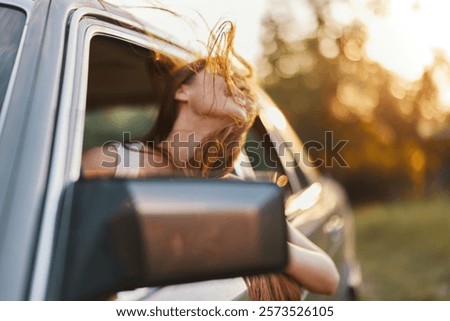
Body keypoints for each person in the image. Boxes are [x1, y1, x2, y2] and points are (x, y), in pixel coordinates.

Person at [82, 22, 339, 300]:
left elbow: (328, 278)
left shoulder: (230, 191)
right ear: (182, 91)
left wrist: (257, 241)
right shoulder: (109, 163)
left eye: (244, 86)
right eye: (223, 73)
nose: (239, 83)